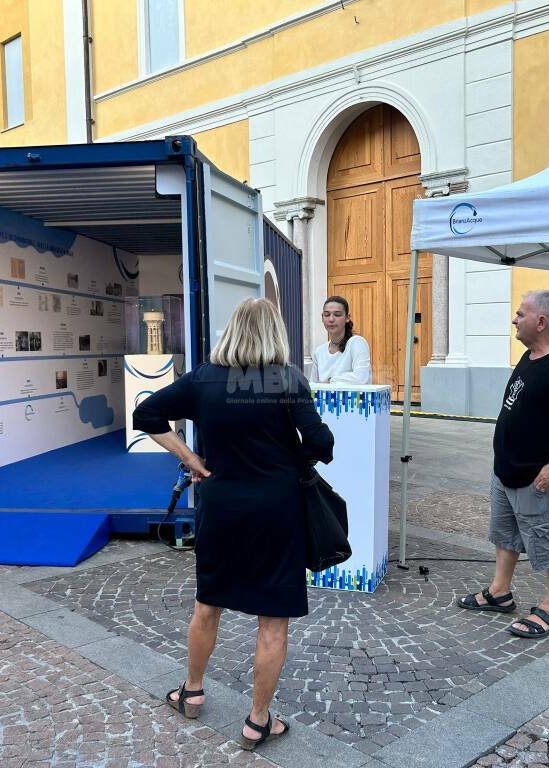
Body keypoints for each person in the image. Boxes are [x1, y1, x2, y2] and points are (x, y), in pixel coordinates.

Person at [132, 297, 334, 749]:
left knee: (208, 603)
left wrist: (190, 458)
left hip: (220, 504)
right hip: (277, 509)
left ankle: (192, 692)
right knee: (273, 619)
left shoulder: (204, 378)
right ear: (275, 333)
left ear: (232, 330)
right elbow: (321, 441)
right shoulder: (288, 379)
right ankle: (257, 720)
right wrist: (285, 463)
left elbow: (146, 413)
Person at [458, 290, 549, 639]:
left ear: (541, 321)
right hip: (507, 471)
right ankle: (500, 592)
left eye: (520, 314)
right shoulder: (531, 355)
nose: (514, 319)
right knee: (505, 536)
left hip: (540, 479)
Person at [310, 295, 372, 384]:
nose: (331, 319)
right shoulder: (319, 351)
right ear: (322, 318)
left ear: (347, 318)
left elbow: (361, 378)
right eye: (327, 314)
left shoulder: (357, 343)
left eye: (337, 314)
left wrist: (330, 381)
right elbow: (313, 385)